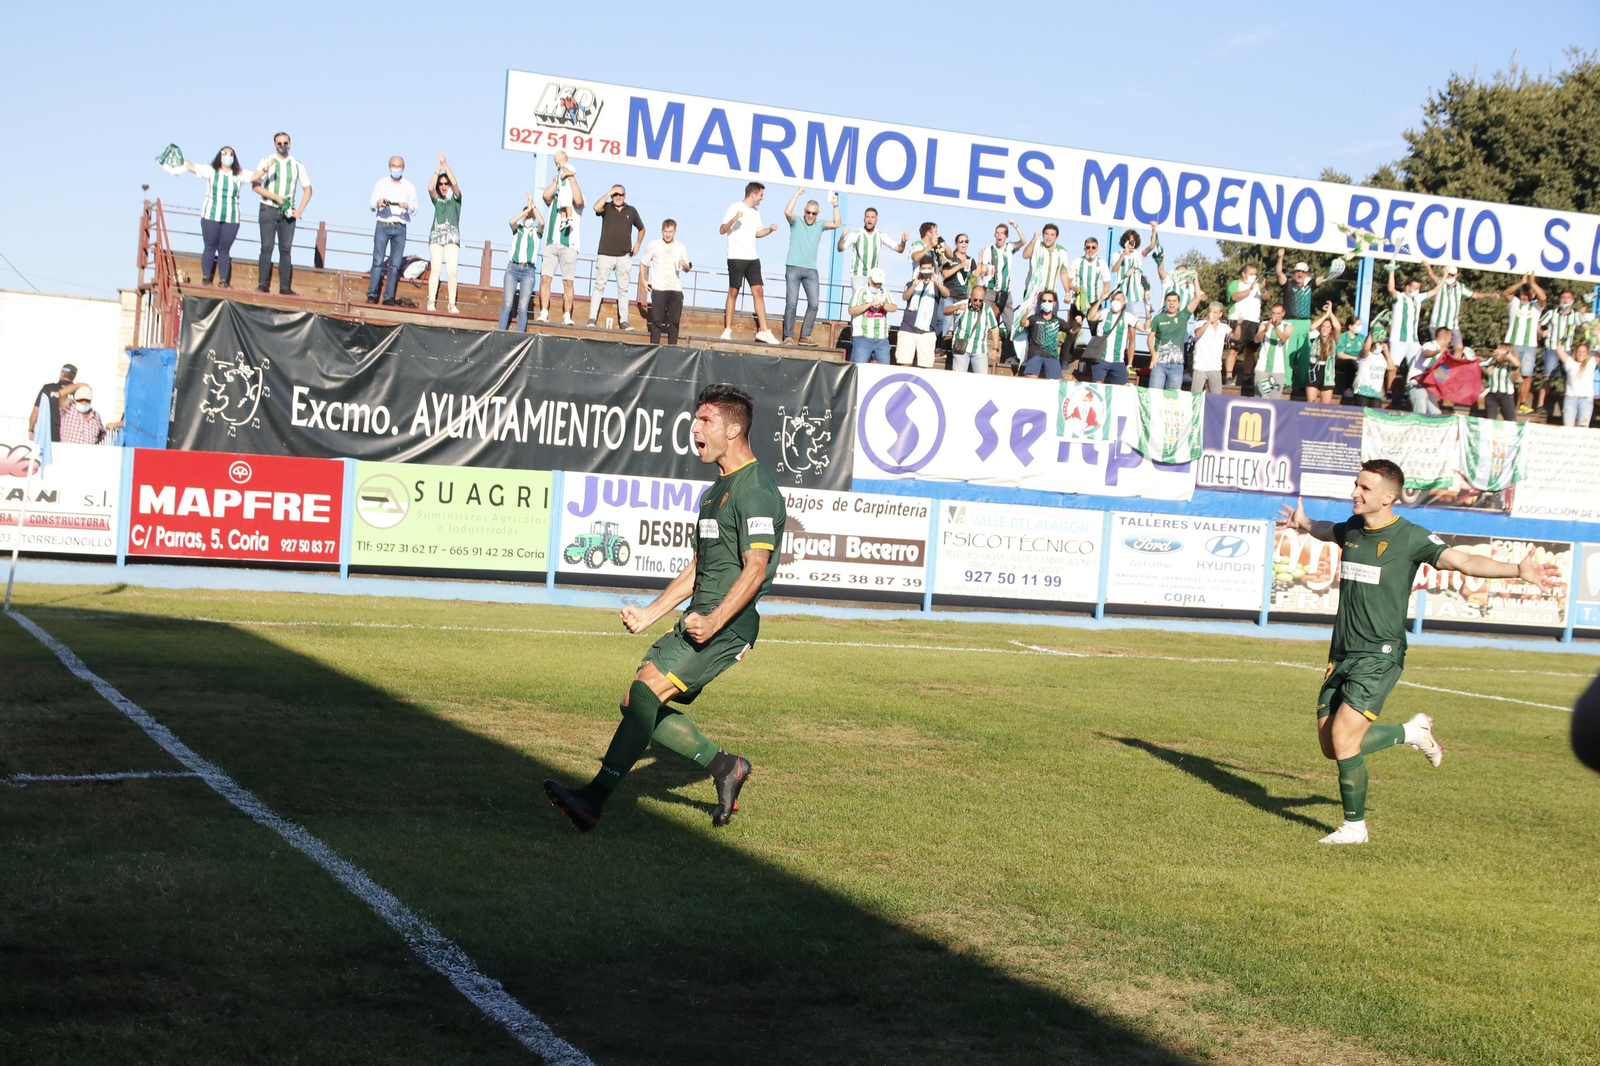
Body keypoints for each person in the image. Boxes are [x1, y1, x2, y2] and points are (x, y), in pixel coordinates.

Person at [1276, 460, 1561, 844]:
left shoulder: (1410, 537)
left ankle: (1354, 828)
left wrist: (1516, 568)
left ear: (1388, 497)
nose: (1355, 493)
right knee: (1332, 745)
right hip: (1342, 652)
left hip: (1380, 653)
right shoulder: (1353, 529)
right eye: (1356, 485)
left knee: (1345, 738)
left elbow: (1463, 560)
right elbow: (1331, 531)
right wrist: (1304, 524)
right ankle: (1412, 731)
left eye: (1364, 488)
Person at [542, 384, 784, 833]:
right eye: (695, 420)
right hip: (699, 620)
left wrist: (714, 620)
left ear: (733, 429)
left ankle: (592, 800)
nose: (694, 429)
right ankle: (726, 767)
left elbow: (756, 567)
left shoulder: (755, 490)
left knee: (646, 694)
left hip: (725, 626)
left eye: (705, 421)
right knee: (635, 699)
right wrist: (653, 612)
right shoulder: (716, 492)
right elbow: (701, 567)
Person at [179, 146, 261, 287]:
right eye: (225, 153)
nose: (227, 156)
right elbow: (192, 168)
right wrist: (180, 158)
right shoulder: (211, 170)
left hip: (231, 216)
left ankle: (223, 280)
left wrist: (266, 168)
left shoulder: (239, 174)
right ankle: (206, 277)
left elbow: (254, 176)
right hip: (211, 213)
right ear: (220, 155)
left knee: (224, 249)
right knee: (210, 246)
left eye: (231, 154)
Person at [251, 132, 313, 296]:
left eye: (285, 142)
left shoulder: (297, 165)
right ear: (274, 145)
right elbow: (256, 186)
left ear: (290, 144)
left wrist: (299, 210)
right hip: (268, 208)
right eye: (279, 143)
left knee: (285, 250)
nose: (283, 146)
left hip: (287, 212)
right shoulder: (267, 161)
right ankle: (263, 284)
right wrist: (275, 197)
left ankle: (285, 287)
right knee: (267, 247)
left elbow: (308, 189)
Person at [718, 181, 780, 344]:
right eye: (761, 194)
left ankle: (764, 331)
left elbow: (758, 233)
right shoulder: (734, 207)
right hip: (736, 257)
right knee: (733, 291)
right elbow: (722, 230)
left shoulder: (756, 212)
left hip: (752, 257)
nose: (762, 198)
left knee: (758, 290)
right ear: (753, 194)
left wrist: (770, 230)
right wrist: (735, 218)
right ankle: (728, 329)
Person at [781, 188, 840, 344]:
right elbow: (787, 212)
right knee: (791, 303)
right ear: (804, 211)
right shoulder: (797, 222)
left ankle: (805, 336)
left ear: (817, 214)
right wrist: (797, 194)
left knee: (814, 303)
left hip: (811, 269)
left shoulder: (820, 224)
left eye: (814, 213)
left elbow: (837, 223)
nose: (810, 216)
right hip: (793, 267)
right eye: (808, 212)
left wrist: (835, 205)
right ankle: (788, 336)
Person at [537, 151, 584, 326]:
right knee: (546, 278)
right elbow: (545, 196)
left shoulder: (573, 195)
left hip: (569, 244)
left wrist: (570, 178)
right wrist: (557, 181)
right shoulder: (556, 197)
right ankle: (544, 312)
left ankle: (567, 314)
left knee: (568, 281)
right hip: (551, 242)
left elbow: (579, 201)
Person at [589, 183, 646, 330]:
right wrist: (608, 193)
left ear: (625, 196)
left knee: (623, 289)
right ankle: (592, 318)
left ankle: (624, 321)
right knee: (599, 286)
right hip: (605, 254)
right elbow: (595, 207)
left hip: (624, 256)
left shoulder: (631, 211)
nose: (618, 197)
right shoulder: (606, 207)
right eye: (615, 194)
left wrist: (638, 244)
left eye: (620, 194)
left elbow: (641, 228)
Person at [366, 156, 417, 306]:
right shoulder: (381, 184)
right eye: (394, 166)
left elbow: (415, 209)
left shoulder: (409, 186)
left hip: (400, 226)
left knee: (394, 264)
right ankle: (372, 294)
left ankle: (388, 297)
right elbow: (371, 205)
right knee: (378, 261)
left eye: (399, 166)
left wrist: (406, 206)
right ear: (389, 167)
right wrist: (379, 203)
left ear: (403, 167)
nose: (396, 169)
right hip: (383, 224)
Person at [1276, 249, 1326, 391]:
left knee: (1304, 355)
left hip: (1305, 323)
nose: (1299, 274)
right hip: (1290, 322)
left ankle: (1303, 384)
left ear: (1307, 274)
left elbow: (1323, 278)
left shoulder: (1309, 286)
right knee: (1287, 355)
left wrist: (1332, 269)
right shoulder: (1288, 285)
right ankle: (1287, 383)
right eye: (1297, 271)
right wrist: (1280, 258)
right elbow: (1279, 273)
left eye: (1303, 272)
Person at [1383, 267, 1432, 410]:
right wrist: (1391, 271)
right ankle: (1390, 392)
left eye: (1419, 288)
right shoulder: (1399, 297)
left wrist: (1443, 277)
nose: (1417, 290)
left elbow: (1434, 291)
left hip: (1413, 340)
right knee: (1393, 366)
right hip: (1398, 338)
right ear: (1408, 287)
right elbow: (1391, 288)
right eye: (1415, 287)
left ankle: (1413, 388)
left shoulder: (1418, 299)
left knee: (1418, 366)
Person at [1496, 272, 1546, 412]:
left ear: (1533, 295)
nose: (1526, 296)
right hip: (1512, 344)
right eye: (1524, 294)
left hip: (1530, 345)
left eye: (1529, 294)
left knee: (1526, 375)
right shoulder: (1515, 303)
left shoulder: (1536, 306)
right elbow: (1506, 293)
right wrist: (1521, 283)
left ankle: (1522, 404)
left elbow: (1543, 297)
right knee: (1507, 373)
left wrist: (1532, 283)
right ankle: (1503, 401)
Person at [497, 194, 544, 332]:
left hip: (528, 270)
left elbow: (542, 223)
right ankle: (501, 332)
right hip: (513, 268)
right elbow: (511, 221)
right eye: (527, 217)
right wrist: (526, 211)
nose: (529, 218)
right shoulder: (518, 230)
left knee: (523, 307)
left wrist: (533, 206)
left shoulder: (536, 232)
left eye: (531, 216)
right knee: (507, 304)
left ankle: (520, 335)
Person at [1423, 263, 1496, 349]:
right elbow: (1431, 275)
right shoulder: (1440, 283)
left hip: (1453, 324)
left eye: (1452, 274)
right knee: (1441, 348)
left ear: (1456, 275)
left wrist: (1489, 295)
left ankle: (1453, 362)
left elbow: (1475, 295)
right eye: (1448, 274)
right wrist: (1428, 266)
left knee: (1459, 347)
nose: (1450, 276)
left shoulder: (1460, 287)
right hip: (1438, 323)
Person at [642, 219, 692, 345]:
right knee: (657, 321)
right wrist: (643, 280)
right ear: (662, 231)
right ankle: (654, 347)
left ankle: (672, 348)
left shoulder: (681, 247)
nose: (668, 234)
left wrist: (685, 265)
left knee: (674, 322)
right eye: (666, 231)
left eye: (670, 232)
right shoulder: (654, 245)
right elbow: (643, 263)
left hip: (675, 288)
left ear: (675, 231)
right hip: (659, 288)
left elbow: (687, 268)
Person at [1537, 288, 1585, 415]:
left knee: (1569, 377)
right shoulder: (1552, 313)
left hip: (1567, 350)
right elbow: (1538, 324)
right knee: (1548, 377)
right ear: (1560, 300)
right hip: (1552, 348)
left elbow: (1585, 327)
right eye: (1563, 298)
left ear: (1573, 301)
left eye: (1568, 298)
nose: (1565, 300)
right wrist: (1542, 332)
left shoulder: (1575, 315)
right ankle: (1540, 405)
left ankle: (1568, 406)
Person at [425, 155, 463, 314]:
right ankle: (431, 300)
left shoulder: (456, 199)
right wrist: (437, 169)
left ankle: (451, 303)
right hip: (436, 238)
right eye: (441, 184)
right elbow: (429, 188)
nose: (443, 186)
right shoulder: (437, 200)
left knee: (452, 271)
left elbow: (455, 184)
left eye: (445, 183)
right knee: (435, 270)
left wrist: (446, 165)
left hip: (452, 239)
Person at [837, 208, 908, 292]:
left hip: (873, 277)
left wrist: (903, 242)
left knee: (872, 303)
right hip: (858, 275)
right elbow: (841, 248)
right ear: (864, 219)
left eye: (872, 217)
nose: (869, 219)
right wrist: (842, 237)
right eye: (867, 217)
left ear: (876, 220)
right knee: (860, 302)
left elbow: (899, 249)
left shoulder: (880, 235)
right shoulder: (857, 233)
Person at [895, 259, 948, 369]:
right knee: (905, 363)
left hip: (927, 331)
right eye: (924, 268)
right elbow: (905, 297)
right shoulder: (911, 283)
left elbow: (947, 293)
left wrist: (936, 281)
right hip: (908, 328)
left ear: (933, 269)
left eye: (929, 268)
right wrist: (914, 285)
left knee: (926, 366)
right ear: (919, 269)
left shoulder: (937, 285)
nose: (926, 271)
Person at [976, 222, 1023, 332]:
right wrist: (984, 268)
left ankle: (1010, 345)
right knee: (984, 318)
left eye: (1002, 233)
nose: (999, 235)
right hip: (990, 288)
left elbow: (1023, 241)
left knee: (1010, 323)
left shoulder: (1010, 247)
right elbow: (981, 271)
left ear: (1006, 236)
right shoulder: (989, 249)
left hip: (1005, 289)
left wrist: (1016, 226)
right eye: (997, 233)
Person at [1142, 289, 1190, 391]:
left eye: (1174, 301)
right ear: (1165, 302)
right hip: (1159, 364)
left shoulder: (1183, 316)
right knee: (1154, 395)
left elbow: (1197, 298)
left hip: (1177, 365)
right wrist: (1153, 354)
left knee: (1172, 398)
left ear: (1178, 303)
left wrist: (1194, 279)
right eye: (1169, 301)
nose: (1171, 303)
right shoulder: (1158, 318)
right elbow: (1149, 339)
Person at [847, 267, 897, 364]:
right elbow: (851, 310)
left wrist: (883, 304)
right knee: (859, 367)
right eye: (875, 282)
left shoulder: (885, 292)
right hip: (863, 337)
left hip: (882, 338)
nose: (878, 285)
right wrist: (869, 305)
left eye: (880, 282)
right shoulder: (860, 292)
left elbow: (894, 308)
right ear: (869, 279)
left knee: (884, 368)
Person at [1226, 263, 1265, 388]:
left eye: (1255, 274)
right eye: (1251, 274)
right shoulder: (1235, 283)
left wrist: (1263, 289)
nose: (1253, 277)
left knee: (1250, 350)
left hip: (1253, 321)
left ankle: (1247, 377)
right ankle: (1228, 376)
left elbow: (1267, 297)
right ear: (1243, 273)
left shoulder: (1258, 286)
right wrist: (1249, 289)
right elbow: (1234, 296)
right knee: (1233, 349)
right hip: (1237, 319)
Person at [948, 284, 999, 374]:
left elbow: (995, 329)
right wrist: (957, 307)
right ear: (971, 296)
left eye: (980, 300)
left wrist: (995, 348)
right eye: (975, 299)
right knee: (959, 378)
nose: (977, 302)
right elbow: (945, 311)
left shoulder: (987, 310)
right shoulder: (963, 304)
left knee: (982, 380)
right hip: (961, 348)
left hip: (980, 349)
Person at [1016, 292, 1067, 380]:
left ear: (1054, 303)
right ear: (1041, 302)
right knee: (1031, 380)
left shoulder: (1057, 321)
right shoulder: (1035, 318)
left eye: (1050, 301)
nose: (1047, 303)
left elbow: (1071, 330)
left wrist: (1078, 323)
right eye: (1044, 301)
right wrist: (1027, 312)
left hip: (1051, 354)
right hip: (1036, 353)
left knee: (1058, 383)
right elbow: (1023, 323)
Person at [1093, 291, 1136, 385]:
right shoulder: (1104, 312)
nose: (1115, 302)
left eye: (1118, 299)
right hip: (1101, 358)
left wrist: (1148, 313)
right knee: (1097, 387)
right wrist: (1100, 300)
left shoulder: (1127, 316)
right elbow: (1091, 317)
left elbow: (1145, 328)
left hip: (1118, 361)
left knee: (1123, 390)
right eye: (1114, 299)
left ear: (1123, 302)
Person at [28, 364, 78, 442]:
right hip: (70, 432)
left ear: (62, 373)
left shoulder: (48, 388)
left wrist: (31, 428)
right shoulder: (78, 391)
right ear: (74, 376)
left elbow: (36, 410)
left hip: (48, 430)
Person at [1111, 225, 1153, 316]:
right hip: (1119, 295)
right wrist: (1123, 255)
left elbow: (1151, 247)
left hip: (1133, 297)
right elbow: (1114, 269)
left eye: (1132, 241)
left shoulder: (1138, 255)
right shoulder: (1117, 254)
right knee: (1117, 323)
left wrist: (1154, 230)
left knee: (1132, 326)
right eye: (1128, 240)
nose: (1130, 243)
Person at [1190, 303, 1231, 394]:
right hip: (1200, 367)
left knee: (1216, 398)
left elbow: (1235, 336)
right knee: (1195, 397)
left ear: (1220, 314)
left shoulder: (1224, 327)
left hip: (1215, 368)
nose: (1213, 314)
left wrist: (1239, 325)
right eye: (1211, 312)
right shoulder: (1201, 323)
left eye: (1215, 312)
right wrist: (1209, 322)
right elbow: (1197, 333)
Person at [1254, 304, 1293, 399]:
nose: (1275, 316)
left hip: (1278, 369)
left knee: (1275, 400)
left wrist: (1275, 327)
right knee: (1260, 397)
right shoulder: (1264, 324)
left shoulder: (1288, 325)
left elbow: (1283, 339)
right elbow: (1256, 339)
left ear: (1283, 314)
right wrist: (1266, 329)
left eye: (1278, 313)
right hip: (1262, 368)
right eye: (1273, 313)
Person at [1306, 304, 1341, 404]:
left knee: (1325, 406)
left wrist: (1331, 313)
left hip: (1327, 373)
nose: (1325, 329)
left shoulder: (1333, 340)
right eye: (1323, 327)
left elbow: (1338, 328)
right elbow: (1312, 327)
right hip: (1314, 371)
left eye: (1328, 327)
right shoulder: (1315, 337)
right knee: (1310, 403)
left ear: (1331, 329)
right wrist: (1325, 315)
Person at [1556, 341, 1596, 427]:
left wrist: (1597, 335)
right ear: (1576, 352)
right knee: (1568, 427)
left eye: (1584, 351)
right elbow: (1559, 349)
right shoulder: (1570, 362)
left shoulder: (1591, 362)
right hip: (1570, 399)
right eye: (1579, 351)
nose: (1581, 354)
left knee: (1583, 427)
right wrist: (1564, 337)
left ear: (1588, 353)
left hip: (1586, 400)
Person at [1479, 344, 1520, 421]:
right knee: (1490, 420)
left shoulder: (1510, 365)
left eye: (1499, 350)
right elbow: (1478, 362)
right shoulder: (1492, 362)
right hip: (1492, 395)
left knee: (1511, 420)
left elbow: (1517, 363)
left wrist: (1506, 353)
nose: (1496, 352)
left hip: (1506, 396)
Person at [1353, 336, 1393, 409]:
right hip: (1363, 391)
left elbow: (1391, 367)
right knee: (1363, 415)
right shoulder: (1365, 355)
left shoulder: (1382, 357)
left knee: (1374, 416)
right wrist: (1372, 333)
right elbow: (1366, 349)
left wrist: (1387, 353)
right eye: (1380, 343)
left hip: (1376, 393)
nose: (1382, 345)